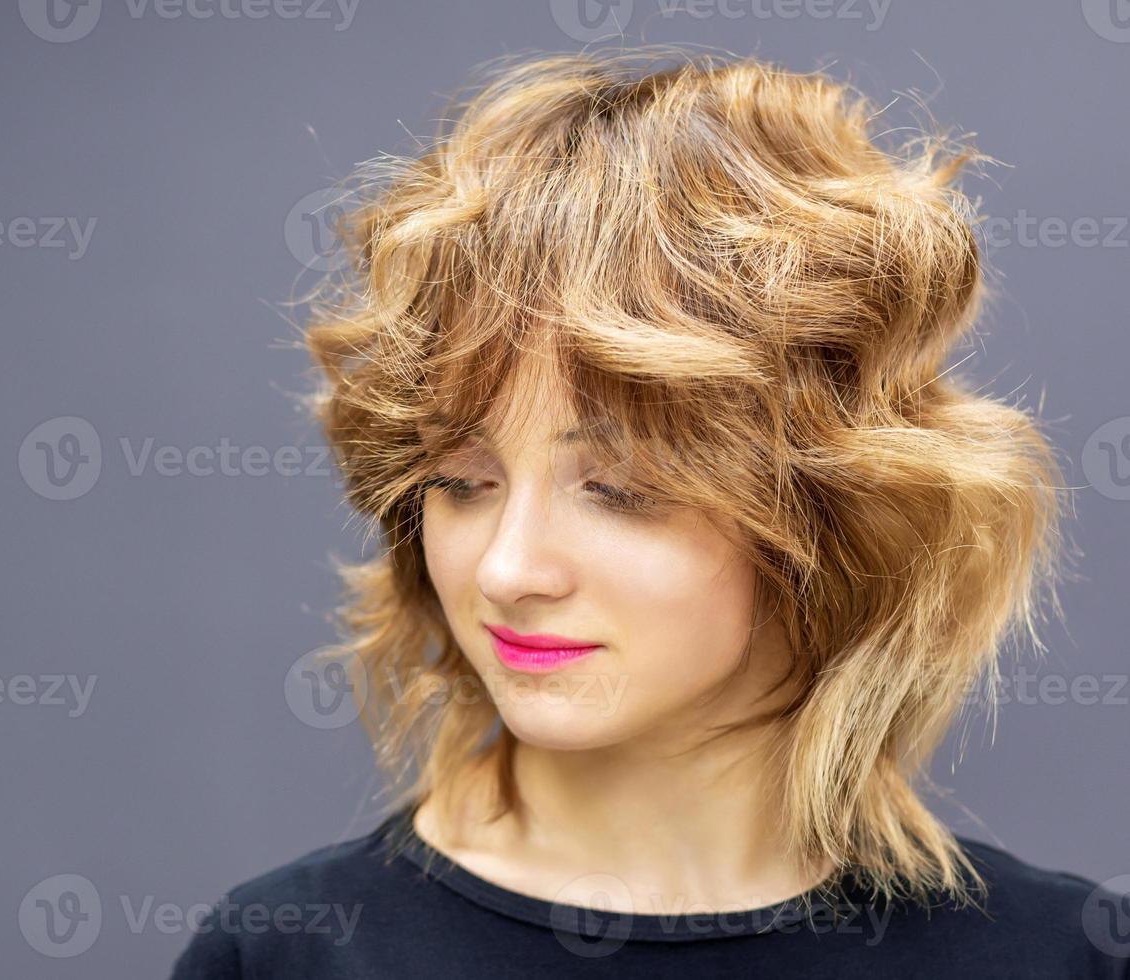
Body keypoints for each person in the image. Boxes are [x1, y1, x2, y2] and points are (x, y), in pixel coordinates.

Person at [171, 46, 1128, 977]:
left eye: (621, 492)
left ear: (839, 512)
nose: (508, 571)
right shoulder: (289, 952)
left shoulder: (1064, 954)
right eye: (461, 482)